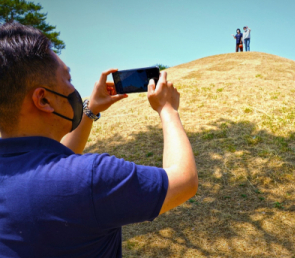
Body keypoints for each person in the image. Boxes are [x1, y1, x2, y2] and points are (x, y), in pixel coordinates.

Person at [0, 22, 198, 257]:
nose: (74, 89)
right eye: (68, 79)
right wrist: (168, 110)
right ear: (43, 100)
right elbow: (184, 181)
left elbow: (54, 167)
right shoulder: (92, 178)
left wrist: (90, 109)